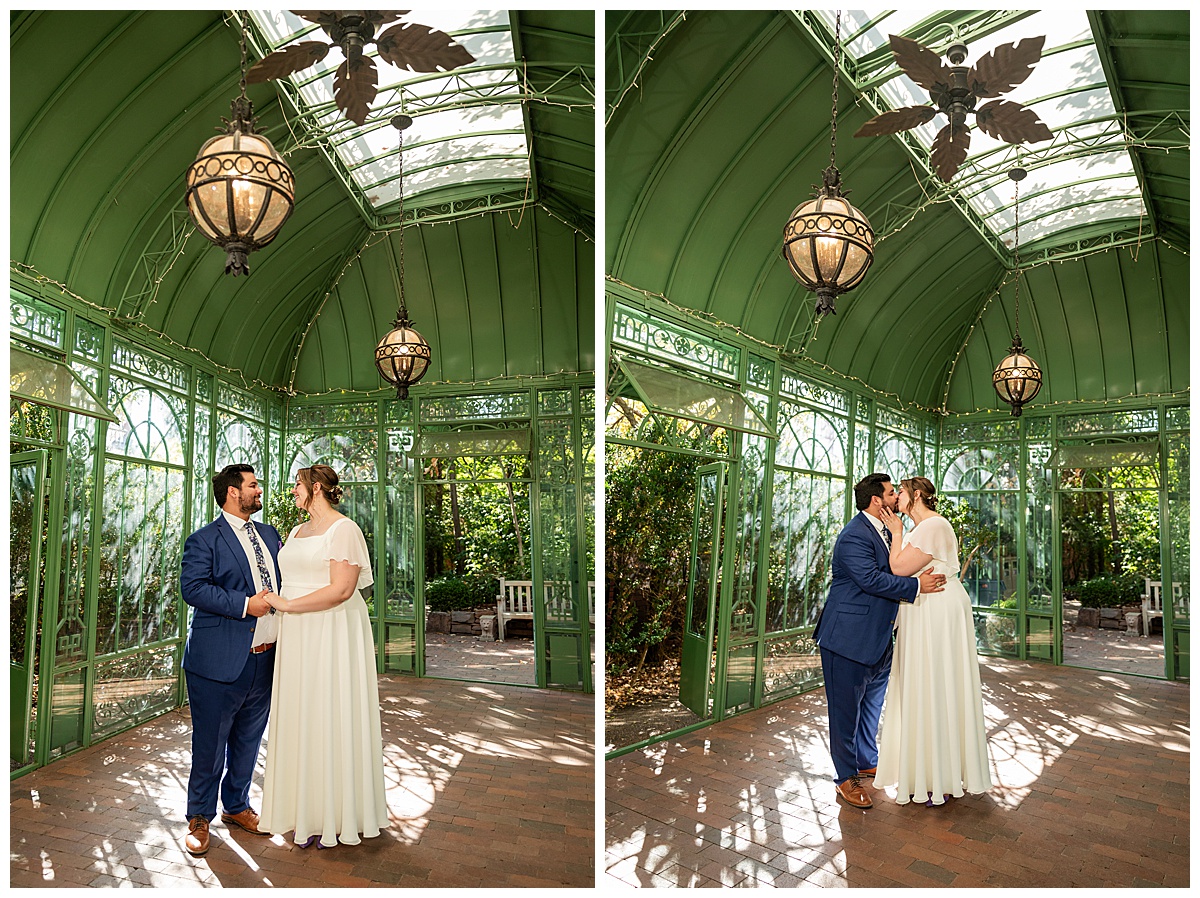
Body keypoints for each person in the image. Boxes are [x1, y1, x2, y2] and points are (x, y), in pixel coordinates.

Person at [259, 464, 388, 847]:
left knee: (330, 712)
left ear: (315, 487)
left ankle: (338, 813)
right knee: (303, 714)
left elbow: (341, 590)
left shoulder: (343, 530)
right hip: (298, 634)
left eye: (297, 485)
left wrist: (287, 605)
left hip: (331, 630)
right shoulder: (296, 531)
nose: (293, 491)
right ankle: (306, 811)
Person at [813, 472, 946, 810]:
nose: (896, 497)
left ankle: (865, 760)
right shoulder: (853, 537)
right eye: (891, 493)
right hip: (847, 639)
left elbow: (896, 567)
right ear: (877, 501)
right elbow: (873, 580)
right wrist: (918, 587)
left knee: (871, 707)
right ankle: (845, 778)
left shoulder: (889, 531)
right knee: (844, 712)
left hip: (880, 637)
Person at [179, 464, 282, 857]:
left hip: (266, 658)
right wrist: (245, 606)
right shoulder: (204, 539)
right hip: (216, 663)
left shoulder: (270, 535)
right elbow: (193, 588)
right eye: (253, 485)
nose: (259, 490)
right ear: (232, 493)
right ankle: (199, 818)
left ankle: (236, 806)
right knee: (210, 743)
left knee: (249, 740)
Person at [876, 476, 992, 806]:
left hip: (937, 611)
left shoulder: (932, 526)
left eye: (899, 492)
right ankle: (926, 773)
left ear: (915, 496)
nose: (895, 497)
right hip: (923, 609)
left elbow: (898, 568)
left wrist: (896, 533)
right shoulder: (920, 530)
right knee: (924, 686)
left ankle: (938, 776)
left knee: (936, 685)